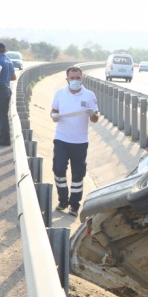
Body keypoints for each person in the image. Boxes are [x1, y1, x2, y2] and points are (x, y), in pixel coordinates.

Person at [50, 66, 99, 217]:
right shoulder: (59, 93)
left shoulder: (89, 95)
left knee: (78, 175)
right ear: (67, 79)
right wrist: (53, 116)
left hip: (80, 141)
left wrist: (92, 114)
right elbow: (53, 111)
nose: (75, 81)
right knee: (58, 169)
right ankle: (63, 200)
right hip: (61, 139)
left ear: (82, 78)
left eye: (78, 78)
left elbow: (95, 118)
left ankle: (74, 205)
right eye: (72, 78)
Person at [0, 42, 17, 146]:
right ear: (5, 50)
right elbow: (14, 77)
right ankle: (2, 137)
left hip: (0, 90)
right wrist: (5, 78)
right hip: (6, 89)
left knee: (1, 116)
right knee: (3, 115)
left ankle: (5, 140)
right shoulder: (9, 60)